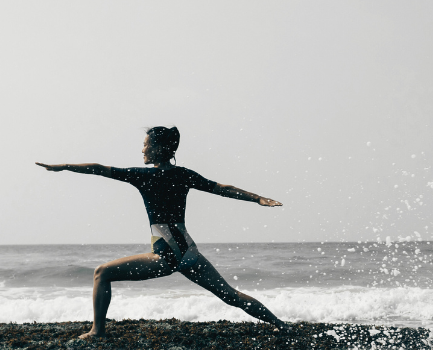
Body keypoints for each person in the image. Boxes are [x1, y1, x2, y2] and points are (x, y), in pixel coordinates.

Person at [37, 126, 285, 338]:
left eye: (145, 145)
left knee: (102, 273)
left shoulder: (141, 176)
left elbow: (99, 168)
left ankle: (97, 331)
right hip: (189, 253)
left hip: (166, 256)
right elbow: (222, 188)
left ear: (158, 148)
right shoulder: (183, 174)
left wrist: (65, 166)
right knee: (231, 295)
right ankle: (280, 325)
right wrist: (259, 198)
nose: (142, 150)